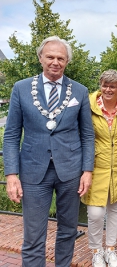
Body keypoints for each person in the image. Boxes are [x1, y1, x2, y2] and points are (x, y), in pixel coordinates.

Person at [3, 36, 95, 267]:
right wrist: (11, 175)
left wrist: (87, 170)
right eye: (50, 57)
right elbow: (12, 134)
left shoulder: (80, 91)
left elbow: (87, 134)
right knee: (33, 236)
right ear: (41, 58)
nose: (55, 62)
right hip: (33, 171)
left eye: (61, 58)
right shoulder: (21, 89)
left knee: (67, 231)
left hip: (71, 171)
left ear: (67, 62)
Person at [81, 70, 117, 267]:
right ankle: (96, 250)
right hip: (94, 165)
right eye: (104, 85)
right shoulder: (88, 105)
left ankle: (110, 249)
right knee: (95, 213)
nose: (108, 89)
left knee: (115, 209)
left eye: (113, 86)